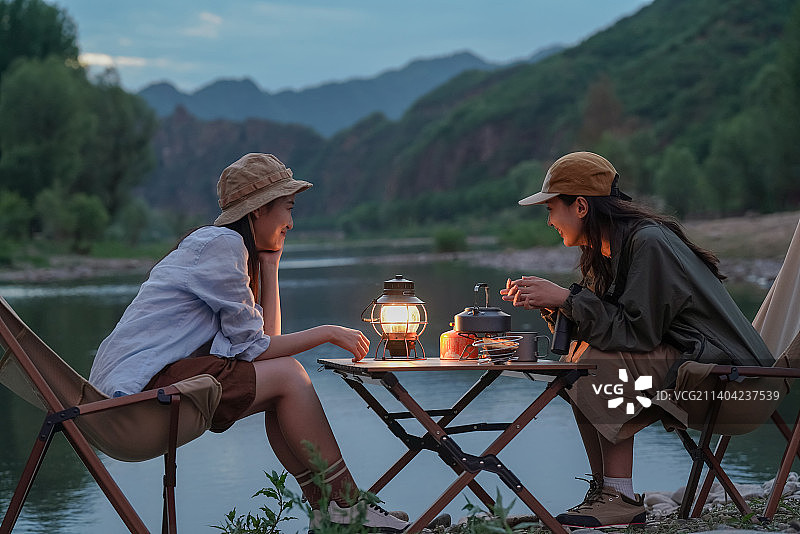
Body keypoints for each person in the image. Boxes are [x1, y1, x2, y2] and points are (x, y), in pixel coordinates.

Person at [89, 153, 409, 532]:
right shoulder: (222, 244)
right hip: (135, 405)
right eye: (288, 208)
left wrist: (270, 267)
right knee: (290, 376)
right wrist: (327, 332)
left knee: (282, 386)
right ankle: (349, 505)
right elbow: (261, 350)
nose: (291, 222)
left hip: (127, 403)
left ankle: (330, 511)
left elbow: (262, 347)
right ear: (258, 210)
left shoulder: (220, 246)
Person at [500, 152, 773, 528]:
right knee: (579, 362)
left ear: (580, 206)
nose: (549, 221)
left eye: (551, 209)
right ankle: (607, 493)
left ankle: (620, 496)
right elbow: (607, 327)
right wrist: (553, 305)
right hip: (697, 366)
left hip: (735, 379)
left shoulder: (648, 242)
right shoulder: (607, 249)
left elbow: (635, 333)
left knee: (597, 364)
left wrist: (566, 298)